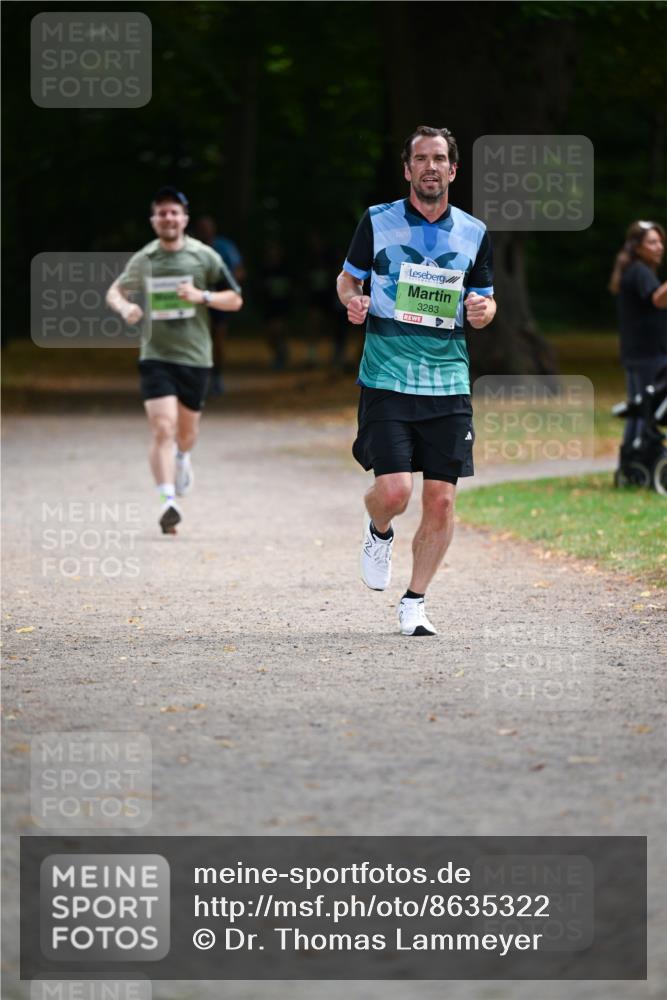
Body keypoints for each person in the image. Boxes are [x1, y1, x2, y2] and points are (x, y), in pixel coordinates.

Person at [337, 125, 496, 636]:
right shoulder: (376, 221)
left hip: (448, 380)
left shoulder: (473, 232)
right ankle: (378, 530)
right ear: (407, 169)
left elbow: (487, 303)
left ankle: (415, 601)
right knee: (394, 492)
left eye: (439, 158)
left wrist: (481, 310)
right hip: (387, 373)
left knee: (442, 499)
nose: (430, 166)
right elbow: (348, 279)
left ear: (453, 170)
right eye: (421, 158)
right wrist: (352, 301)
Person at [106, 187, 243, 534]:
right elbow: (115, 291)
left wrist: (202, 295)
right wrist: (126, 308)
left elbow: (235, 300)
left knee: (186, 433)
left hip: (195, 357)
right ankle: (168, 501)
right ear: (153, 219)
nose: (168, 218)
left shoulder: (204, 257)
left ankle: (183, 458)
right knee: (162, 427)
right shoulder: (144, 259)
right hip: (156, 356)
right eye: (161, 213)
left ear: (184, 219)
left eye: (174, 212)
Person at [609, 220, 667, 451]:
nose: (659, 246)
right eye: (652, 242)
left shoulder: (635, 271)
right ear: (637, 247)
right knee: (646, 407)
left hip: (639, 353)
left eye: (660, 241)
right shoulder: (639, 271)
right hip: (648, 354)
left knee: (639, 408)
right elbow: (658, 299)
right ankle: (641, 456)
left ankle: (632, 458)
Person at [193, 215, 246, 395]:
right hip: (196, 299)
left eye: (208, 228)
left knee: (219, 338)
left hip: (219, 296)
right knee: (199, 339)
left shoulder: (225, 247)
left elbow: (239, 271)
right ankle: (199, 377)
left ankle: (216, 376)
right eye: (202, 228)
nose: (205, 232)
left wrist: (231, 284)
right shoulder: (190, 248)